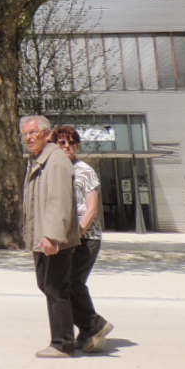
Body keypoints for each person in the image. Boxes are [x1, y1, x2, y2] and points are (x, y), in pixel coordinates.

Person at [20, 114, 82, 357]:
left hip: (53, 239)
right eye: (26, 134)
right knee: (47, 285)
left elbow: (59, 202)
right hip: (42, 236)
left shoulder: (55, 161)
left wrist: (52, 236)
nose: (29, 137)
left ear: (47, 134)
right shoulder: (38, 161)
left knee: (56, 288)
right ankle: (91, 326)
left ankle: (62, 343)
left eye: (33, 133)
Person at [53, 126, 112, 353]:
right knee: (65, 284)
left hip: (86, 238)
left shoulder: (85, 171)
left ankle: (94, 325)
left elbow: (92, 209)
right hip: (66, 238)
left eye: (71, 142)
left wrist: (78, 233)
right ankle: (88, 330)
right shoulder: (58, 170)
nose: (67, 146)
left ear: (77, 145)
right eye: (62, 143)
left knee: (72, 282)